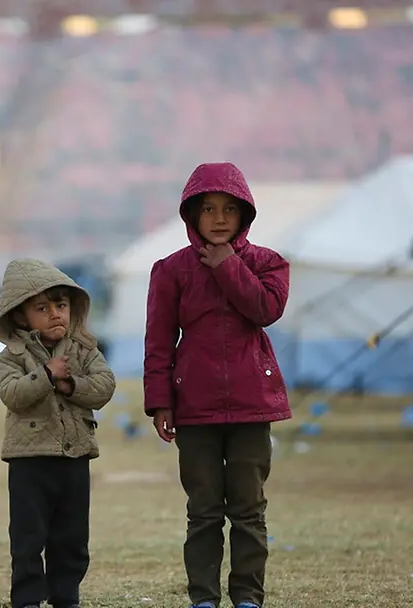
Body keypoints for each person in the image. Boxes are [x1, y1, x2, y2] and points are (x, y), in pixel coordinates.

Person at [143, 162, 292, 608]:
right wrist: (159, 403)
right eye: (208, 208)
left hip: (251, 406)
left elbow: (265, 309)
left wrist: (229, 266)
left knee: (249, 510)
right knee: (203, 511)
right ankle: (203, 599)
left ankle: (247, 598)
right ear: (191, 214)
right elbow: (158, 341)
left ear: (245, 213)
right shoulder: (171, 270)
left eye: (230, 208)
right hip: (195, 408)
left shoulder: (268, 264)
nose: (220, 218)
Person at [0, 258, 117, 608]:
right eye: (42, 308)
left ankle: (66, 596)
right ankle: (28, 598)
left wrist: (70, 383)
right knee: (28, 536)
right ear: (20, 316)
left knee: (72, 536)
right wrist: (45, 375)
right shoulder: (11, 357)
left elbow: (104, 387)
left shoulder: (84, 350)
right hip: (29, 461)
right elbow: (13, 395)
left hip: (74, 457)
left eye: (61, 305)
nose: (55, 314)